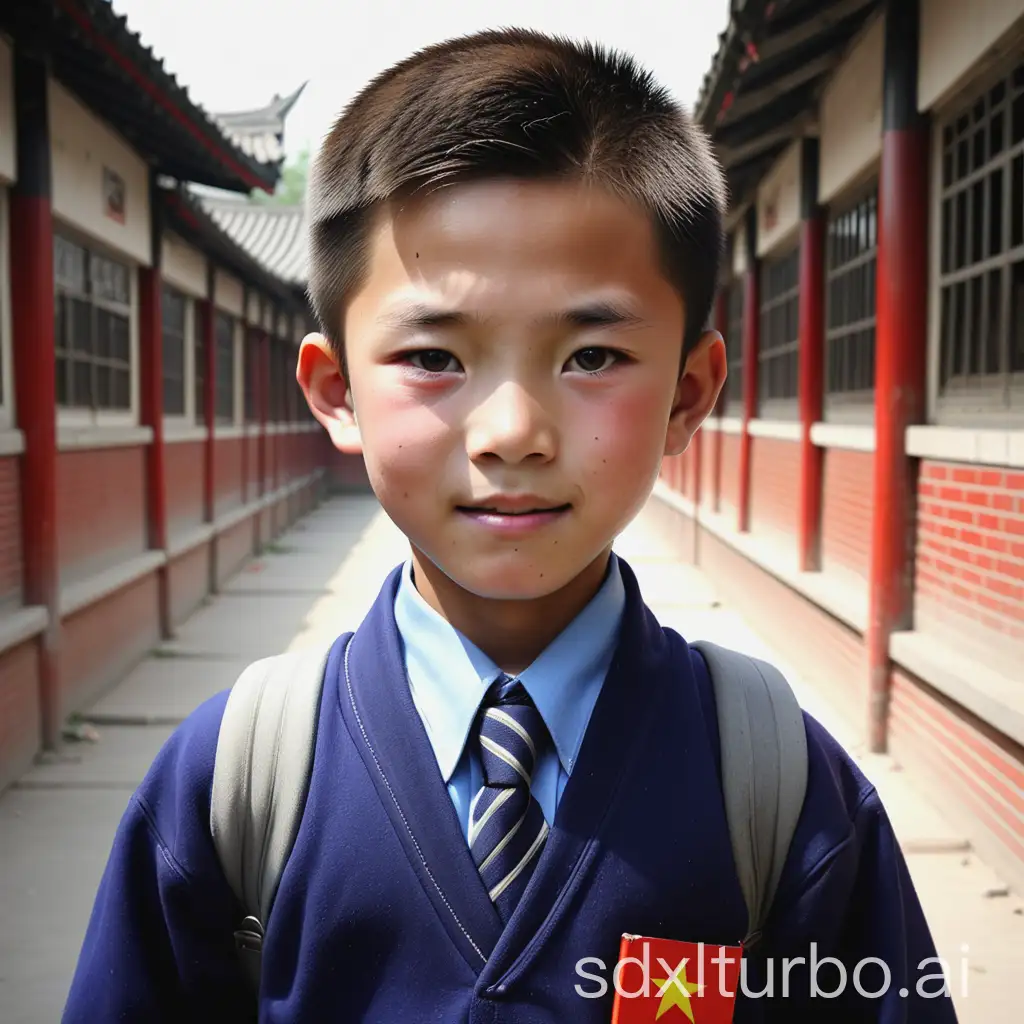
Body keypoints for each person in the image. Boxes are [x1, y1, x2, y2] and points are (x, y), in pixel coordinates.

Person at [64, 29, 956, 1023]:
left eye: (591, 356)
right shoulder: (234, 786)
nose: (513, 432)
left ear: (688, 392)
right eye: (435, 358)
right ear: (336, 390)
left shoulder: (777, 790)